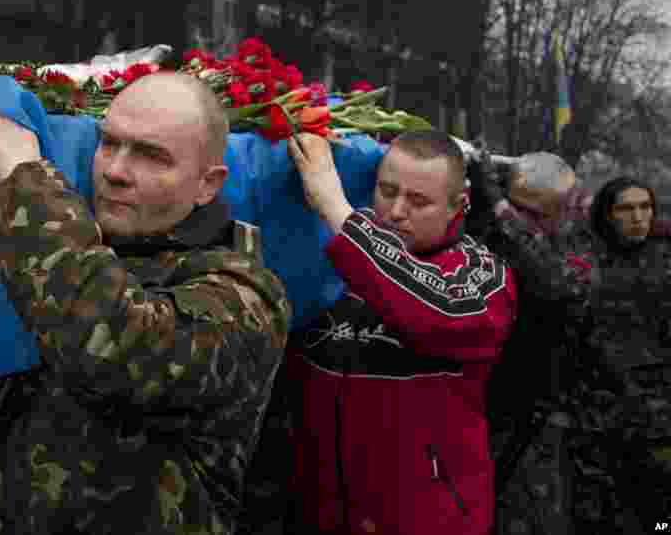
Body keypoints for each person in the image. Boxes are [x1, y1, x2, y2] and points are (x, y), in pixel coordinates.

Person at [0, 71, 291, 534]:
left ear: (207, 184)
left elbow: (115, 351)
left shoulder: (245, 294)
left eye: (151, 156)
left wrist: (24, 179)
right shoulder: (61, 257)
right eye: (108, 143)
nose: (115, 171)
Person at [285, 130, 517, 535]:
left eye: (418, 201)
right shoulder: (337, 259)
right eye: (386, 191)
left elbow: (436, 309)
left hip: (427, 516)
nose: (394, 211)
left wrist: (336, 206)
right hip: (321, 512)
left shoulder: (484, 276)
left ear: (456, 207)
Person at [465, 149, 590, 535]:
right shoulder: (491, 233)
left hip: (535, 423)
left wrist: (501, 205)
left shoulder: (574, 250)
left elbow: (555, 281)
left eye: (533, 214)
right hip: (477, 407)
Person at [565, 176, 671, 534]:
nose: (638, 217)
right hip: (598, 416)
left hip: (658, 416)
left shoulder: (665, 256)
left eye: (645, 208)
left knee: (659, 517)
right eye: (626, 209)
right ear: (607, 215)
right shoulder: (583, 261)